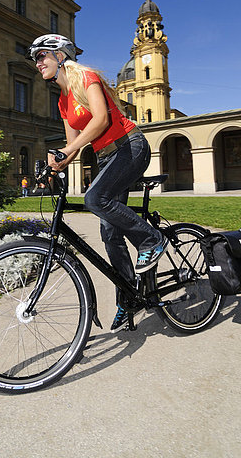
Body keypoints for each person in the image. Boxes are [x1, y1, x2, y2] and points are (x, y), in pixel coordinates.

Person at [27, 34, 167, 331]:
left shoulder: (86, 77)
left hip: (130, 146)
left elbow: (101, 120)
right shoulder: (63, 102)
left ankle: (152, 239)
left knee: (94, 199)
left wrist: (68, 150)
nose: (37, 62)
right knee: (110, 235)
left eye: (42, 56)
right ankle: (128, 298)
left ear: (60, 56)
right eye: (35, 58)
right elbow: (73, 144)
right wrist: (56, 164)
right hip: (106, 157)